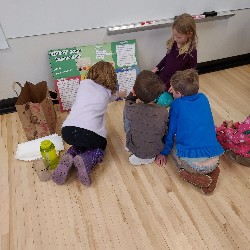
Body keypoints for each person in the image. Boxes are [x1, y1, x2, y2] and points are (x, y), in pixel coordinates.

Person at [52, 61, 126, 186]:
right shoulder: (108, 93)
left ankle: (70, 155)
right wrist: (122, 94)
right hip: (90, 133)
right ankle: (87, 158)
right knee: (100, 145)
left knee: (79, 141)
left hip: (67, 131)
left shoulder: (84, 84)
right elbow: (114, 96)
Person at [155, 69, 224, 194]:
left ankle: (193, 177)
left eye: (172, 89)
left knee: (174, 150)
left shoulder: (177, 105)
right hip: (215, 158)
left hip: (194, 166)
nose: (170, 90)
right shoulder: (203, 98)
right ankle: (213, 173)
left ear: (180, 93)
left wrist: (164, 153)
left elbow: (171, 133)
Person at [124, 70, 169, 166]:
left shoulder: (130, 109)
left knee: (126, 115)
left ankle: (144, 158)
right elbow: (165, 131)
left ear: (134, 92)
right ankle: (148, 155)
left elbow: (127, 101)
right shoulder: (163, 111)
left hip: (137, 149)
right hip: (157, 148)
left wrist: (132, 95)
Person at [152, 13, 197, 91]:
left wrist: (177, 86)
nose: (175, 39)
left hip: (175, 84)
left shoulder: (191, 52)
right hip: (164, 77)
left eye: (179, 37)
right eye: (174, 35)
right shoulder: (173, 43)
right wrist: (157, 67)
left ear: (189, 34)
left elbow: (191, 74)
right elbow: (167, 58)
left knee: (164, 100)